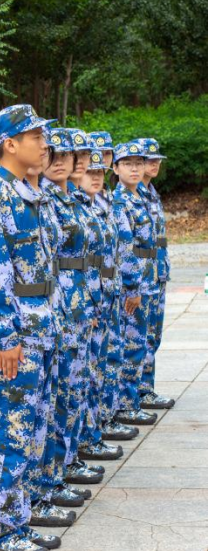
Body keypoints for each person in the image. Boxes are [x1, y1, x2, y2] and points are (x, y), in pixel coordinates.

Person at [0, 105, 61, 551]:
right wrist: (6, 339)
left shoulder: (28, 193)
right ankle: (2, 529)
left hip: (39, 330)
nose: (44, 144)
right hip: (14, 336)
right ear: (10, 144)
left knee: (31, 432)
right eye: (35, 137)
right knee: (7, 434)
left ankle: (20, 517)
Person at [33, 128, 100, 526]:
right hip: (56, 306)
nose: (60, 162)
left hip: (77, 304)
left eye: (67, 156)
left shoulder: (71, 197)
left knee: (71, 391)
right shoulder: (42, 199)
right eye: (53, 155)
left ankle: (62, 466)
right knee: (56, 397)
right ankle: (50, 477)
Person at [74, 150, 126, 461]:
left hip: (102, 295)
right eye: (89, 172)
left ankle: (93, 431)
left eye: (99, 172)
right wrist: (86, 303)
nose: (96, 177)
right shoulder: (75, 207)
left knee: (97, 369)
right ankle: (86, 438)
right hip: (85, 299)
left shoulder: (97, 204)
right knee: (85, 374)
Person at [111, 141, 160, 427]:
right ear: (115, 168)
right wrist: (133, 288)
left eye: (139, 163)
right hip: (133, 285)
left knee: (140, 342)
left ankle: (134, 398)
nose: (134, 169)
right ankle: (126, 404)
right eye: (128, 163)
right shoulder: (120, 201)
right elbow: (125, 250)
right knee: (130, 345)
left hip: (147, 279)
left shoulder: (140, 197)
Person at [133, 137, 175, 410]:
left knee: (153, 334)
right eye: (149, 160)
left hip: (157, 272)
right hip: (141, 274)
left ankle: (146, 387)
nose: (154, 164)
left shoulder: (150, 191)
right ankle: (138, 391)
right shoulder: (132, 194)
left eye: (157, 159)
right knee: (139, 336)